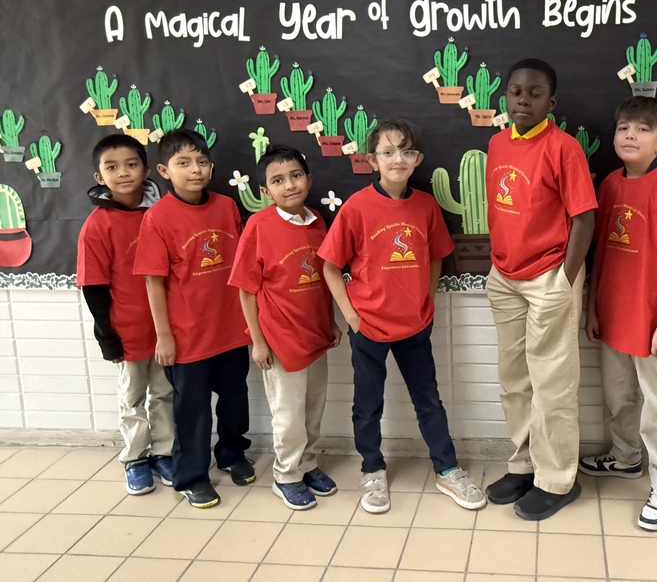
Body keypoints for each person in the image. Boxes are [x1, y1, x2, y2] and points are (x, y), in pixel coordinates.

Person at [319, 119, 486, 514]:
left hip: (415, 325)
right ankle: (372, 470)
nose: (398, 159)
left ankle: (447, 469)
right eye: (388, 151)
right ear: (372, 159)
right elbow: (329, 266)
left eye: (406, 151)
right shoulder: (357, 207)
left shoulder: (426, 205)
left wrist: (427, 302)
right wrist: (352, 316)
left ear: (418, 159)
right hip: (369, 327)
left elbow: (437, 256)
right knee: (368, 404)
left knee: (429, 400)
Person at [579, 97, 657, 531]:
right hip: (614, 316)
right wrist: (592, 307)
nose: (630, 135)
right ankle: (626, 457)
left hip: (655, 323)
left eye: (642, 129)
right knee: (618, 398)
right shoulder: (609, 184)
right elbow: (599, 256)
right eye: (624, 128)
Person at [484, 58, 597, 521]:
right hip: (505, 277)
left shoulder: (563, 147)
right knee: (515, 381)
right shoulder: (495, 143)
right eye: (515, 92)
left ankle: (557, 479)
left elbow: (585, 218)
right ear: (505, 97)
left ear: (551, 102)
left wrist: (564, 281)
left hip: (550, 276)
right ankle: (524, 464)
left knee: (552, 384)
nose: (523, 100)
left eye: (534, 94)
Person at [134, 129, 254, 508]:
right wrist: (164, 336)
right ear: (165, 171)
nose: (195, 170)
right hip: (188, 338)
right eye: (184, 163)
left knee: (236, 401)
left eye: (202, 162)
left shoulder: (226, 206)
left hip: (232, 329)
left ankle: (232, 453)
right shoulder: (157, 218)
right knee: (193, 412)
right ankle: (191, 476)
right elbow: (154, 282)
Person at [229, 145, 341, 511]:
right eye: (278, 180)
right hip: (279, 341)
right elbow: (247, 292)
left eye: (295, 176)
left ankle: (306, 463)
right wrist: (257, 343)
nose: (289, 185)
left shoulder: (318, 222)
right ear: (265, 191)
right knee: (288, 413)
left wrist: (331, 324)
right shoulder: (258, 227)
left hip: (315, 336)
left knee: (312, 407)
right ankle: (285, 475)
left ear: (308, 179)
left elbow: (325, 279)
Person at [77, 133, 174, 495]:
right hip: (127, 329)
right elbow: (94, 286)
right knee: (132, 398)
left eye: (132, 165)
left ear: (147, 169)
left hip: (166, 327)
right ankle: (135, 457)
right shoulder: (98, 225)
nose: (123, 174)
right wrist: (107, 335)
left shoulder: (163, 212)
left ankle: (164, 452)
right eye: (112, 168)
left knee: (164, 393)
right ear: (100, 176)